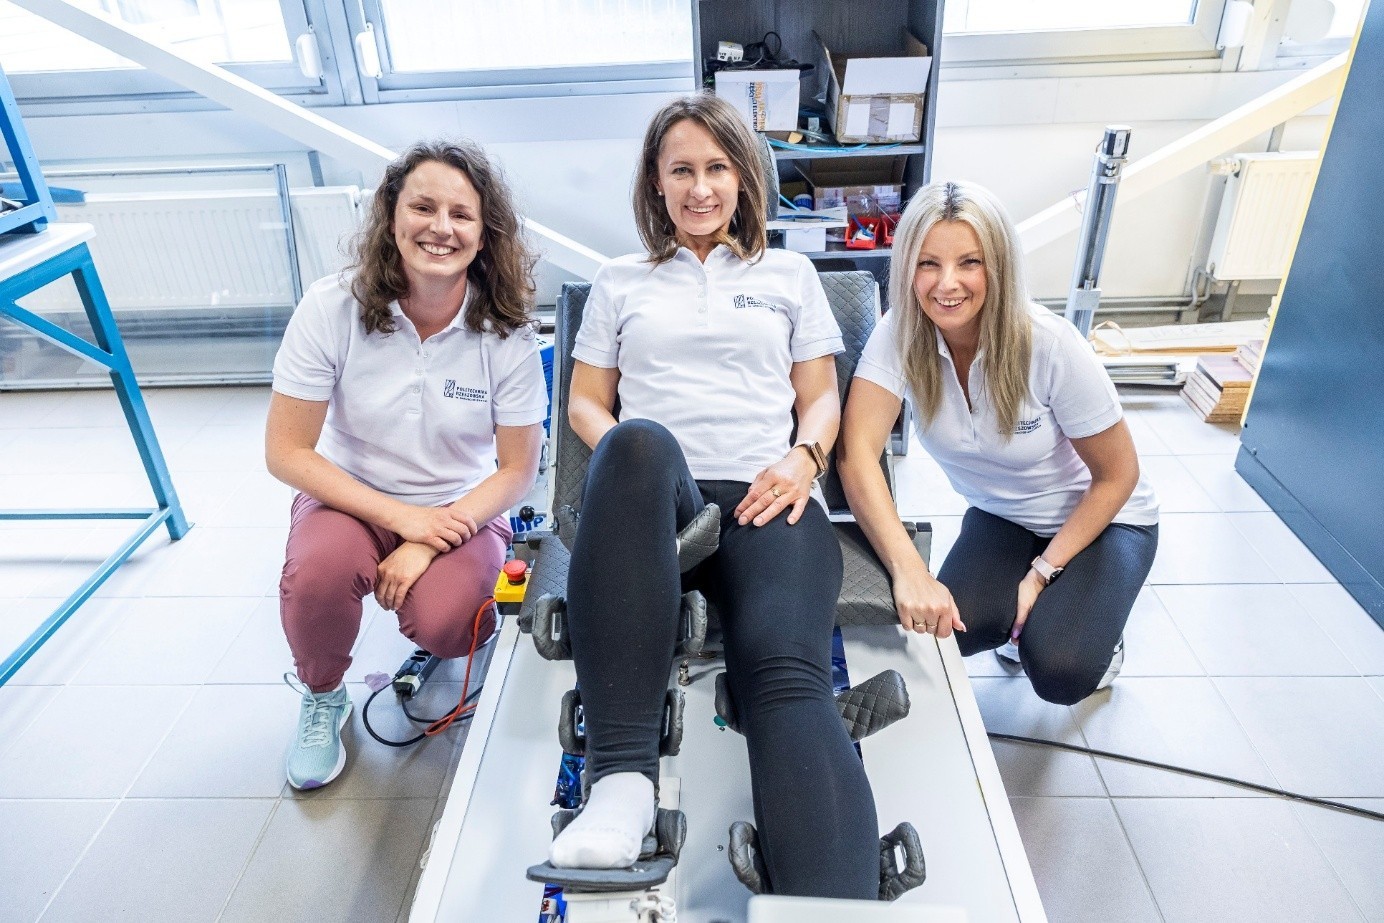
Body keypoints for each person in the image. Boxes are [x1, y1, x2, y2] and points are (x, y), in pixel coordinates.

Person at [548, 93, 880, 899]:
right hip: (659, 498)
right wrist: (630, 469)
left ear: (743, 177)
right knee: (635, 440)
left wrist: (804, 460)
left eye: (717, 168)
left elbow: (822, 398)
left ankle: (831, 901)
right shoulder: (620, 280)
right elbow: (586, 402)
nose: (700, 188)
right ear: (655, 183)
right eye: (681, 171)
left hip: (769, 497)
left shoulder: (789, 275)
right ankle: (620, 787)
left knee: (785, 671)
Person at [266, 140, 547, 790]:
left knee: (455, 621)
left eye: (461, 214)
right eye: (423, 207)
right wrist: (403, 521)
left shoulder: (505, 331)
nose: (440, 227)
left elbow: (516, 471)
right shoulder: (331, 308)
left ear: (484, 233)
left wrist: (426, 539)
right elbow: (286, 451)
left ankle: (434, 612)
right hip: (349, 496)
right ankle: (323, 694)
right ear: (391, 216)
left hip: (458, 507)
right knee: (318, 577)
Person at [838, 180, 1159, 706]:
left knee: (1059, 669)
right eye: (928, 263)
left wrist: (1041, 574)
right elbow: (857, 455)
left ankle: (1095, 631)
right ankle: (1032, 618)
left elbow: (1117, 476)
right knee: (945, 630)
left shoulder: (1050, 345)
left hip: (1104, 520)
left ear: (1000, 266)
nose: (947, 284)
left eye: (970, 262)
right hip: (1003, 516)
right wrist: (910, 571)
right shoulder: (901, 333)